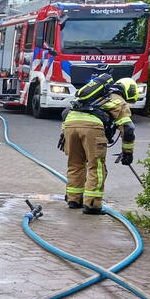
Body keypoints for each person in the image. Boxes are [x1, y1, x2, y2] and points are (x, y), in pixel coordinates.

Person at [58, 73, 135, 214]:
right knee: (96, 166)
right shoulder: (119, 100)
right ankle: (92, 205)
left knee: (75, 164)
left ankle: (73, 200)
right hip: (91, 128)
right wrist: (127, 152)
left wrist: (64, 134)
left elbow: (66, 112)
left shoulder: (94, 96)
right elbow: (128, 129)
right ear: (128, 92)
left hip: (69, 124)